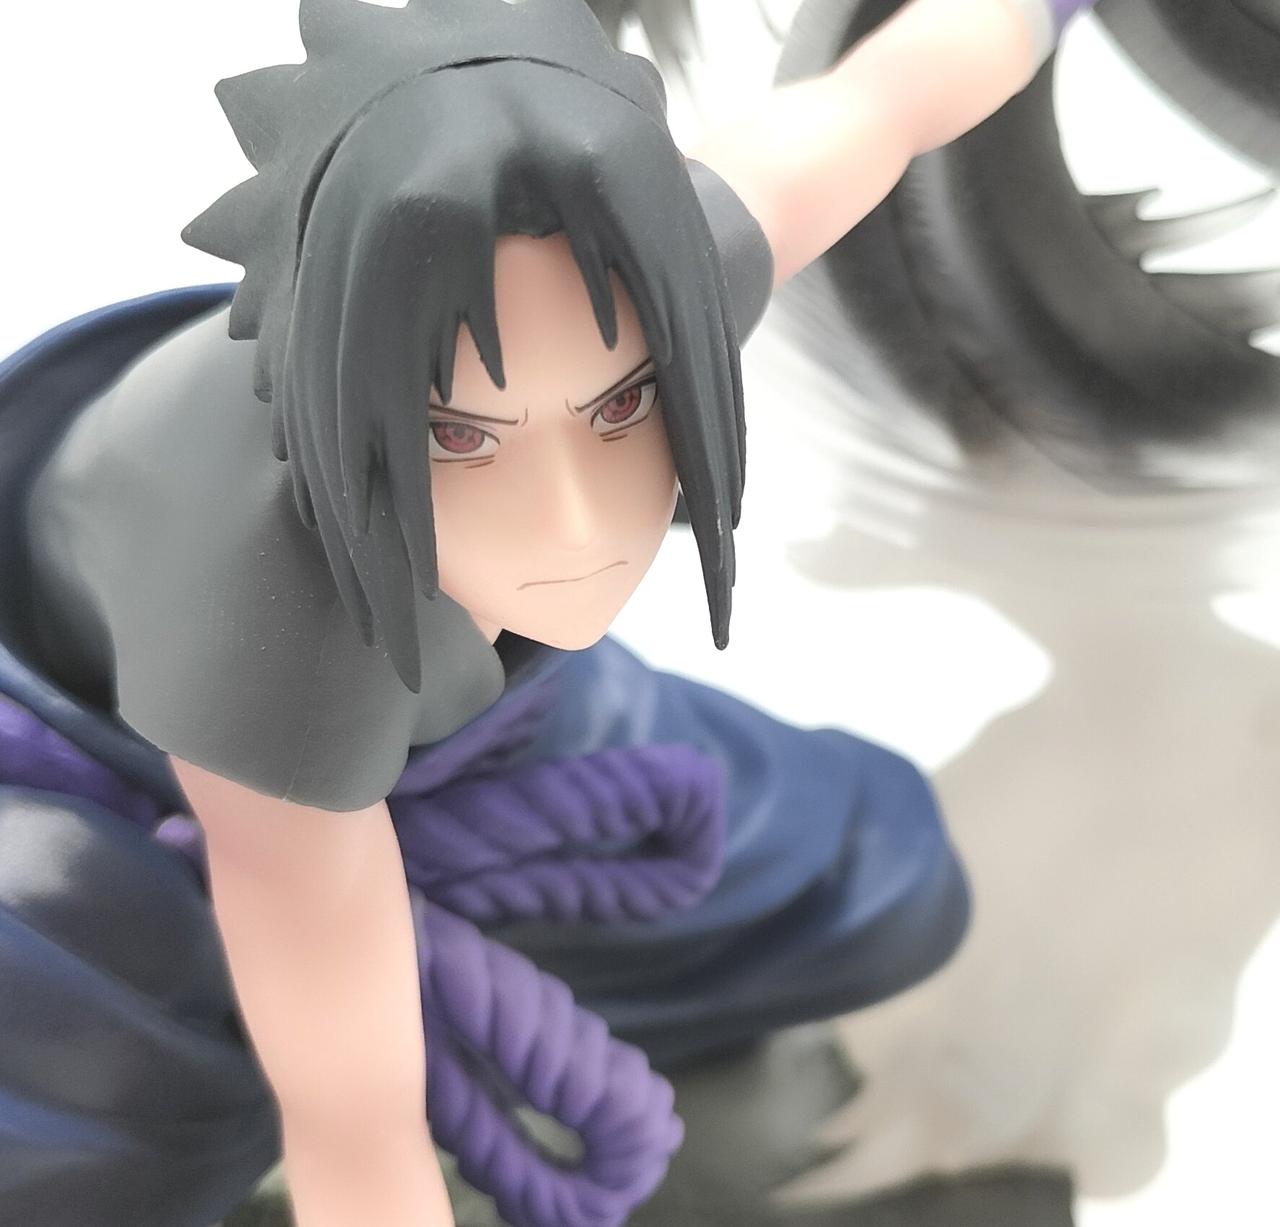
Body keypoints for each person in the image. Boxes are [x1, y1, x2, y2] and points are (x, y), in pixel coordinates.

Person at [3, 1, 1095, 1224]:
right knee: (96, 1114)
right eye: (461, 436)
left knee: (874, 880)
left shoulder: (651, 273)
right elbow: (350, 1123)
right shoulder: (257, 582)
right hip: (112, 778)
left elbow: (883, 100)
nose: (577, 526)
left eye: (622, 408)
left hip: (452, 706)